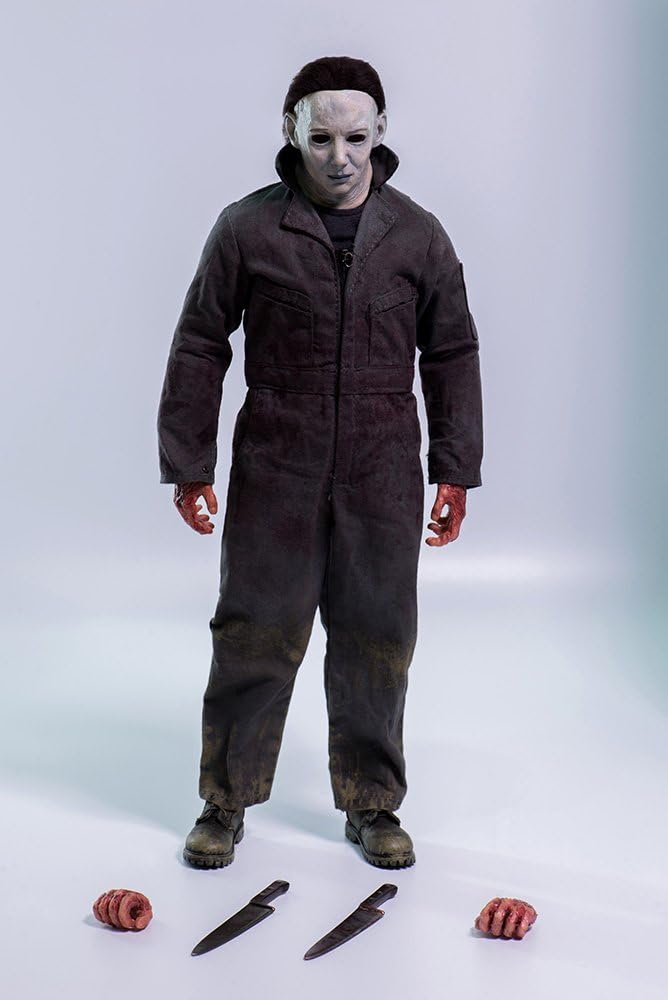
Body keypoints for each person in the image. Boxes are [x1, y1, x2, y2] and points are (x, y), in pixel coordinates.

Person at [157, 55, 483, 870]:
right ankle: (226, 799)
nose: (341, 157)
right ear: (291, 133)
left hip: (383, 465)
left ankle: (372, 802)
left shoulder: (417, 235)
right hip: (278, 459)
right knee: (255, 630)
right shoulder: (247, 229)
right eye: (322, 138)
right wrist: (189, 463)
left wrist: (454, 468)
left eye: (357, 138)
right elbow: (200, 343)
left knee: (378, 633)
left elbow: (451, 352)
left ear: (381, 134)